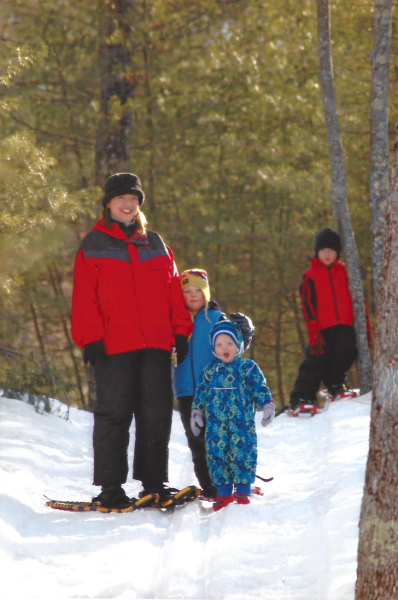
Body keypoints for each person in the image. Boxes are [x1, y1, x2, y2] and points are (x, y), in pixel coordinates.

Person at [71, 172, 193, 509]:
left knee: (155, 414)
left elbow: (173, 293)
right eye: (121, 199)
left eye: (134, 199)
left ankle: (154, 484)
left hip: (155, 344)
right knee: (113, 414)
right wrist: (90, 338)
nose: (128, 204)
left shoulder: (155, 243)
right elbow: (84, 297)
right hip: (112, 346)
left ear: (139, 204)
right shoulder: (93, 244)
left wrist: (181, 331)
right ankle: (110, 487)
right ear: (108, 204)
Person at [171, 268, 254, 499]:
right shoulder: (176, 320)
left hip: (216, 389)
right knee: (197, 441)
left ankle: (236, 481)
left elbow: (233, 347)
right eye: (187, 291)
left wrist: (243, 334)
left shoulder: (216, 319)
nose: (193, 295)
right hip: (187, 391)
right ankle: (211, 487)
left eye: (198, 290)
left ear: (205, 292)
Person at [190, 320, 275, 511]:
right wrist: (196, 412)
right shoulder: (210, 370)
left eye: (229, 343)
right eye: (219, 345)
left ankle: (243, 489)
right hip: (216, 425)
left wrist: (267, 405)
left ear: (239, 345)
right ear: (214, 349)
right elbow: (201, 393)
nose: (224, 348)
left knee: (242, 454)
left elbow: (259, 388)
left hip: (241, 424)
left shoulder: (247, 368)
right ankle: (224, 493)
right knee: (217, 455)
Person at [289, 227, 372, 416]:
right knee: (316, 361)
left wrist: (365, 326)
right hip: (322, 328)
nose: (328, 254)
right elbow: (307, 305)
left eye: (332, 250)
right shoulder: (310, 275)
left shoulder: (345, 271)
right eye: (324, 250)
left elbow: (359, 299)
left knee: (347, 352)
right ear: (317, 251)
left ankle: (335, 383)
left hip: (345, 325)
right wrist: (313, 330)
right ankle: (302, 397)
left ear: (338, 252)